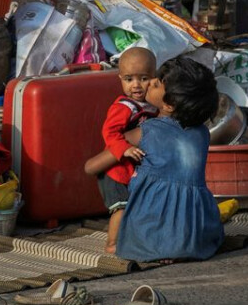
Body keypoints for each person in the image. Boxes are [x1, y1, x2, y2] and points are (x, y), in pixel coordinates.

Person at [114, 57, 224, 263]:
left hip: (156, 229)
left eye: (155, 84)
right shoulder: (202, 133)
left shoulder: (148, 131)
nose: (148, 84)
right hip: (199, 233)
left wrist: (90, 167)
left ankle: (159, 247)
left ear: (169, 104)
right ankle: (178, 247)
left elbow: (107, 154)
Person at [82, 47, 158, 254]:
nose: (136, 85)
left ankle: (134, 238)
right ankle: (112, 243)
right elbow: (109, 132)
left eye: (143, 78)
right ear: (120, 79)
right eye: (129, 79)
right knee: (121, 207)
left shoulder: (151, 106)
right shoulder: (125, 106)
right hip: (115, 171)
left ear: (154, 78)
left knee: (136, 205)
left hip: (132, 170)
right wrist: (124, 148)